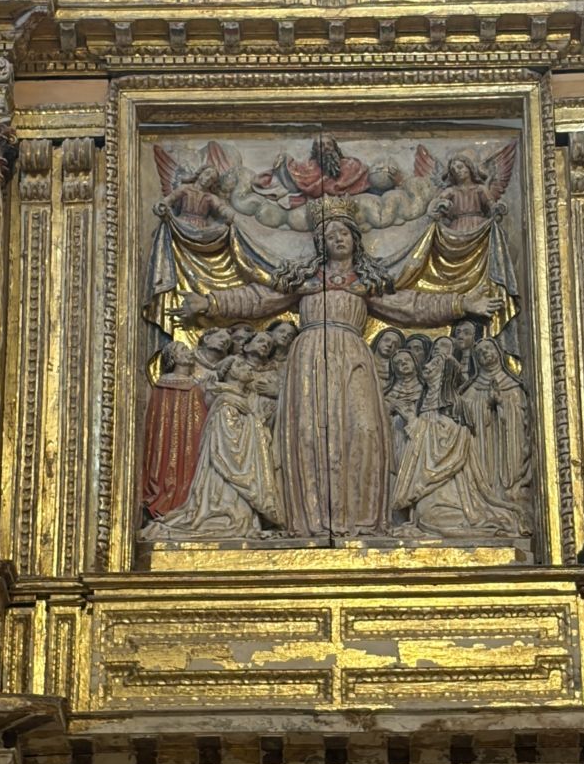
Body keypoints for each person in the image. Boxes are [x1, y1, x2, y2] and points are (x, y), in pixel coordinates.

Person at [177, 196, 504, 539]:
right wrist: (210, 302)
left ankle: (361, 520)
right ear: (321, 243)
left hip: (352, 358)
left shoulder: (364, 281)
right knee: (308, 433)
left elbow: (412, 305)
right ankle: (310, 522)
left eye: (343, 233)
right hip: (309, 359)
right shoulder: (306, 279)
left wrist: (461, 303)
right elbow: (259, 299)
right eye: (330, 235)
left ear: (354, 238)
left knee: (364, 429)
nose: (337, 239)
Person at [139, 355, 278, 541]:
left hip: (234, 478)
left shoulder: (239, 402)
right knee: (236, 522)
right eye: (241, 365)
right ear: (232, 373)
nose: (248, 368)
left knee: (242, 521)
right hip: (225, 478)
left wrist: (259, 425)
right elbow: (229, 450)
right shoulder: (226, 405)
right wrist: (257, 426)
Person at [392, 352, 523, 539]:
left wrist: (413, 422)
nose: (427, 367)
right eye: (429, 363)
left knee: (431, 518)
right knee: (424, 516)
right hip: (429, 480)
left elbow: (452, 443)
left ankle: (477, 522)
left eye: (434, 364)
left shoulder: (455, 404)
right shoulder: (422, 402)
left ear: (444, 373)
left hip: (449, 480)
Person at [141, 342, 208, 520]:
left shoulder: (195, 386)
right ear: (174, 357)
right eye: (183, 350)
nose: (189, 352)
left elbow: (200, 419)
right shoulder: (163, 387)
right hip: (167, 444)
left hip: (191, 442)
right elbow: (156, 422)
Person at [462, 338, 532, 504]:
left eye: (488, 348)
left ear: (499, 352)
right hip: (484, 445)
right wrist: (485, 404)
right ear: (476, 360)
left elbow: (522, 415)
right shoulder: (472, 389)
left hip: (508, 443)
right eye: (480, 352)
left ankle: (510, 492)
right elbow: (465, 416)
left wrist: (502, 403)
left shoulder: (513, 385)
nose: (485, 353)